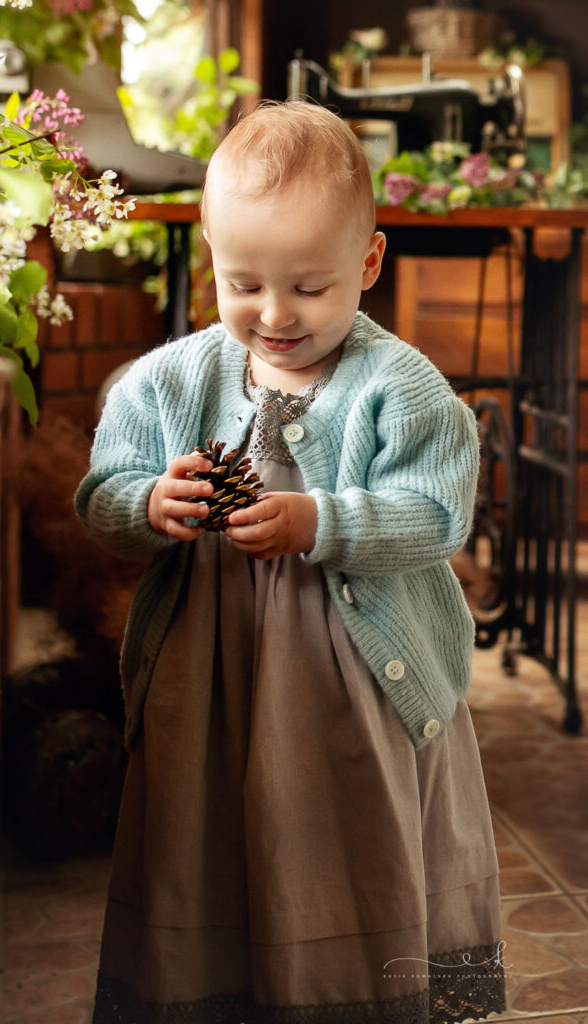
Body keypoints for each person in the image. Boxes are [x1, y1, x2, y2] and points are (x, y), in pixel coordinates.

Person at [75, 101, 508, 1024]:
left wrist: (324, 520)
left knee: (347, 840)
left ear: (368, 263)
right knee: (206, 843)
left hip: (353, 692)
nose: (274, 315)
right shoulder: (166, 382)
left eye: (310, 288)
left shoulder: (401, 386)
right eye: (244, 284)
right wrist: (152, 504)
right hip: (210, 683)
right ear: (212, 259)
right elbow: (103, 498)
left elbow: (437, 514)